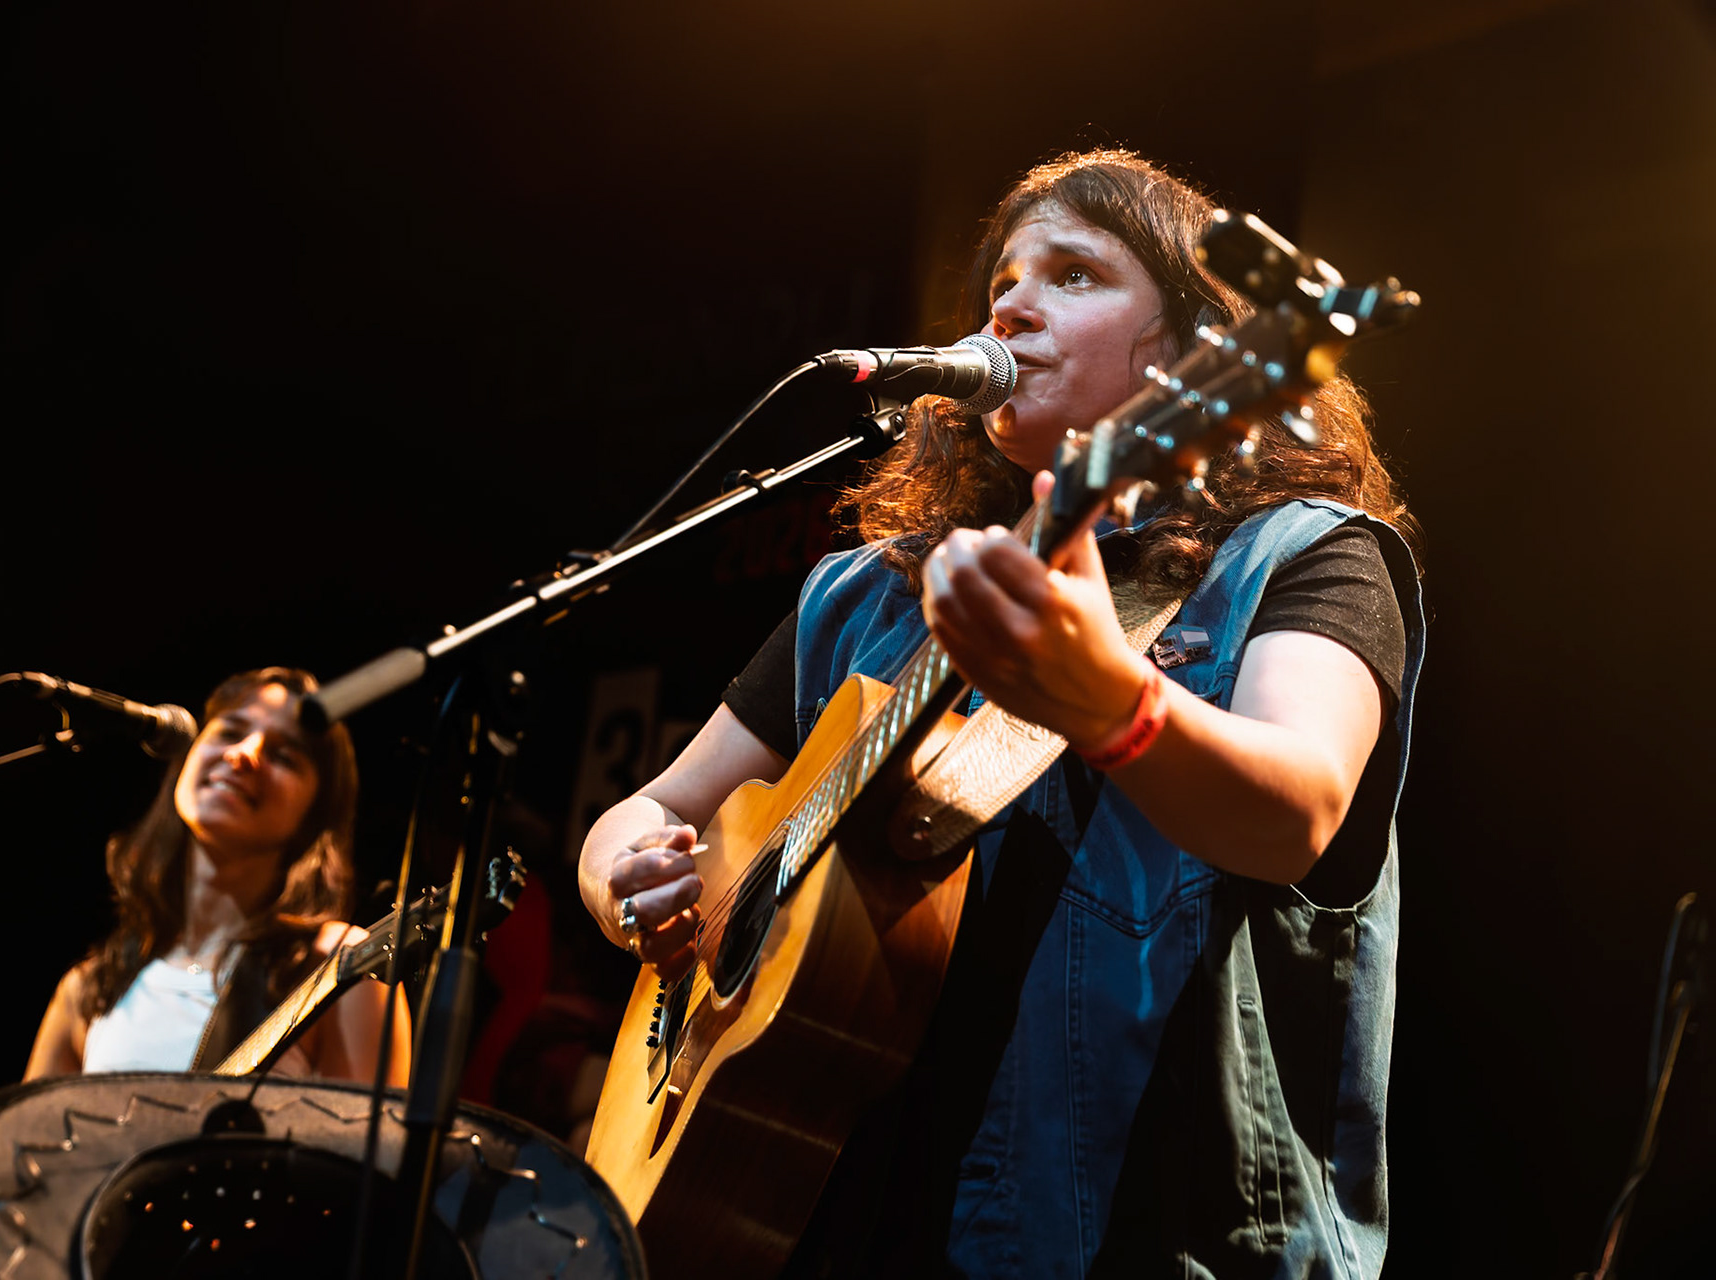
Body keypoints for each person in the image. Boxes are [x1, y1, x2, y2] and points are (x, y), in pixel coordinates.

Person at [578, 148, 1424, 1276]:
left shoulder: (1307, 555)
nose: (1013, 306)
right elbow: (646, 810)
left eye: (1075, 274)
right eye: (1002, 285)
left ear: (1193, 352)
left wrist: (1113, 702)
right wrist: (626, 880)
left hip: (1144, 1233)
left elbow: (1296, 810)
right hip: (828, 1216)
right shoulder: (869, 591)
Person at [0, 665, 413, 1253]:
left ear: (315, 811)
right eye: (230, 732)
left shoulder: (338, 964)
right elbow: (25, 1171)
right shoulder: (91, 987)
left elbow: (369, 1190)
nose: (245, 755)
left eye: (285, 755)